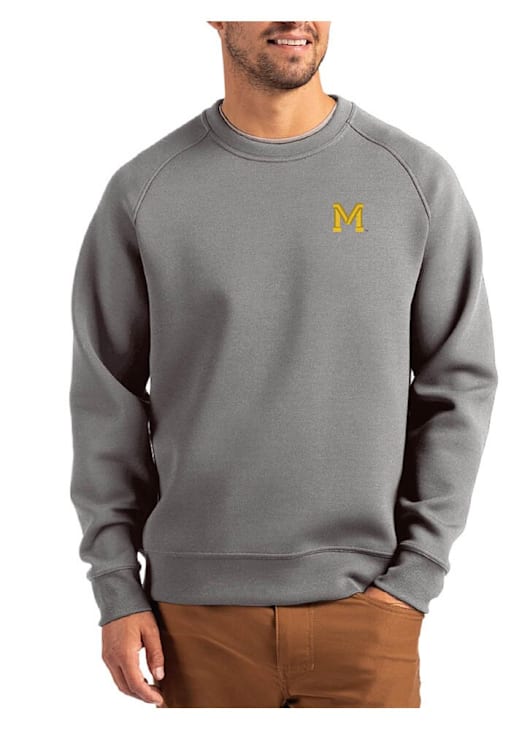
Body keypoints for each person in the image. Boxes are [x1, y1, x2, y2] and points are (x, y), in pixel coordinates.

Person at [68, 20, 498, 708]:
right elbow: (105, 398)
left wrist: (414, 576)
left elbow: (459, 385)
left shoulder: (413, 180)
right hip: (192, 619)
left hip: (367, 612)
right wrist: (116, 587)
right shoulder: (145, 190)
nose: (294, 17)